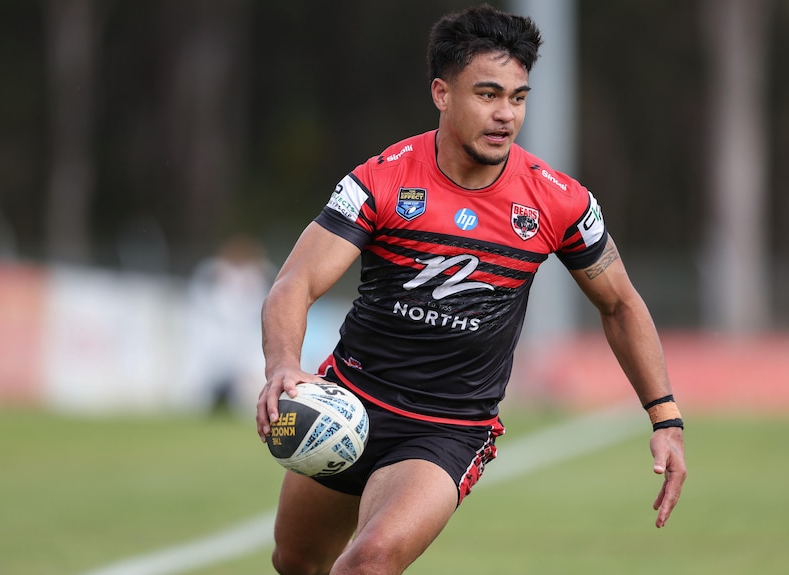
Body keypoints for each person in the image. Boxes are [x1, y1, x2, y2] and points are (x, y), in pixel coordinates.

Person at [256, 5, 687, 574]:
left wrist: (666, 419)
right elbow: (295, 282)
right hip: (345, 403)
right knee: (295, 563)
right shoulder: (382, 180)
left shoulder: (558, 200)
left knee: (368, 563)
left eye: (518, 97)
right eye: (487, 94)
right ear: (442, 93)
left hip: (447, 430)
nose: (506, 114)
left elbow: (620, 303)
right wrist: (283, 365)